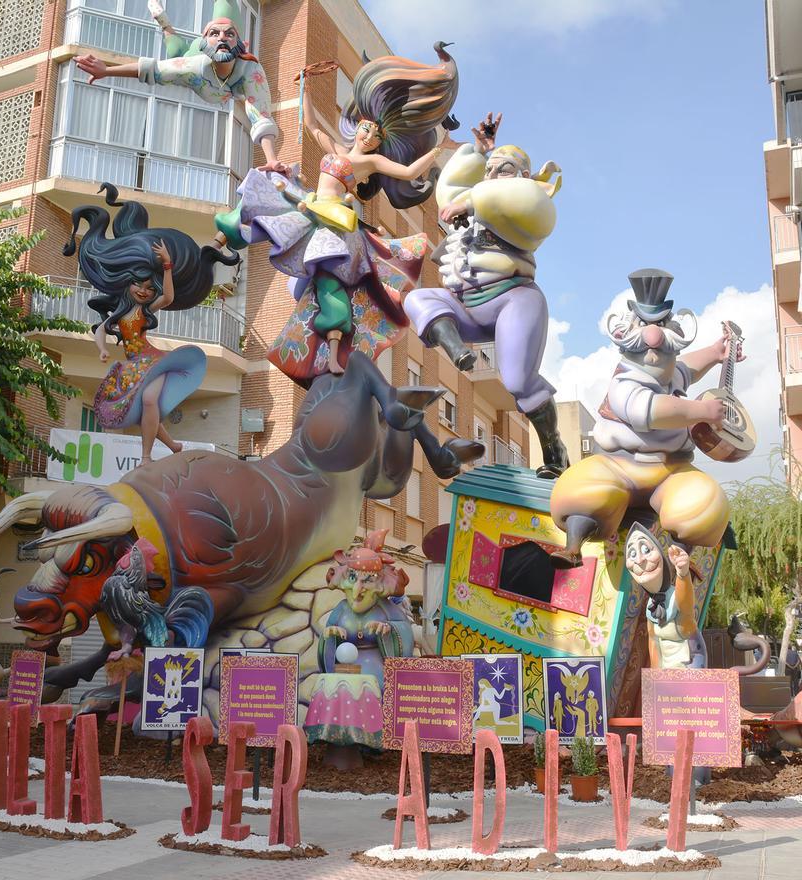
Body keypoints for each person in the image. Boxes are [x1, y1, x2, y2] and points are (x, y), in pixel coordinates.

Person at [214, 46, 459, 380]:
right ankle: (219, 241)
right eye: (367, 128)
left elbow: (409, 173)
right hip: (311, 206)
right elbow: (311, 124)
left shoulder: (370, 162)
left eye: (377, 135)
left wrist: (438, 149)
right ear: (357, 127)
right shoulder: (336, 150)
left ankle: (331, 356)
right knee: (266, 184)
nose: (370, 135)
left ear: (378, 144)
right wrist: (307, 88)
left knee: (331, 287)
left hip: (333, 225)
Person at [403, 111, 569, 478]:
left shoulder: (524, 211)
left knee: (518, 381)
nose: (492, 177)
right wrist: (479, 153)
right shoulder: (472, 211)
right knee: (417, 299)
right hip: (469, 307)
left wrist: (477, 197)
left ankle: (554, 451)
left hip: (514, 298)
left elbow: (518, 200)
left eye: (504, 170)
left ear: (524, 178)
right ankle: (457, 351)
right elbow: (464, 189)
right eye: (489, 171)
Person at [550, 269, 738, 568]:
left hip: (670, 470)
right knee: (583, 491)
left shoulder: (672, 372)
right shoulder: (624, 382)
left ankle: (680, 559)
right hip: (619, 465)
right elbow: (650, 411)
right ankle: (573, 549)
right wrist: (701, 411)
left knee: (703, 503)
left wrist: (717, 352)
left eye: (661, 324)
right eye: (645, 324)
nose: (653, 334)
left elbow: (689, 367)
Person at [64, 188, 234, 466]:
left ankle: (146, 457)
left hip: (153, 361)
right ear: (126, 283)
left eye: (147, 287)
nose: (144, 291)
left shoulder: (145, 309)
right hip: (133, 368)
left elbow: (167, 297)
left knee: (151, 401)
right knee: (146, 406)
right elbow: (100, 329)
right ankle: (173, 445)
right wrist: (102, 349)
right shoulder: (119, 313)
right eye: (138, 285)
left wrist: (167, 265)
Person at [74, 0, 288, 175]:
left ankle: (175, 25)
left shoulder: (250, 69)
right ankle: (165, 24)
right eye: (214, 34)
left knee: (225, 6)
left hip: (227, 89)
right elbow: (152, 69)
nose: (222, 38)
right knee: (177, 52)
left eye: (229, 34)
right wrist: (106, 71)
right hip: (198, 74)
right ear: (205, 42)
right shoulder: (194, 65)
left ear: (242, 44)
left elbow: (260, 115)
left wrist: (272, 160)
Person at [318, 530, 414, 686]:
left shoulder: (386, 609)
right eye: (352, 578)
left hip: (378, 682)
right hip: (343, 679)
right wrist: (330, 636)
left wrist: (389, 631)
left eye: (367, 581)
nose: (357, 589)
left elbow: (406, 635)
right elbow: (326, 647)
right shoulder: (341, 609)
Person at [623, 523, 707, 669]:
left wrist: (683, 573)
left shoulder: (674, 596)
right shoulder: (652, 605)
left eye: (645, 549)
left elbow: (686, 607)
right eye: (632, 554)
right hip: (667, 667)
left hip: (691, 662)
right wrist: (656, 676)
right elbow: (653, 641)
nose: (639, 560)